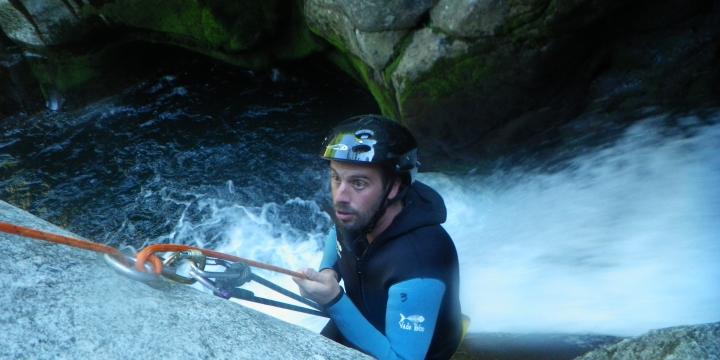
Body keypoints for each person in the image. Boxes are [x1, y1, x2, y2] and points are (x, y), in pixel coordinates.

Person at [293, 114, 463, 359]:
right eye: (336, 177)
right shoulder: (359, 210)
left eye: (359, 183)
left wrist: (334, 300)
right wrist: (329, 271)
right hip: (358, 321)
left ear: (394, 187)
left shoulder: (420, 261)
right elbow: (337, 232)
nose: (340, 196)